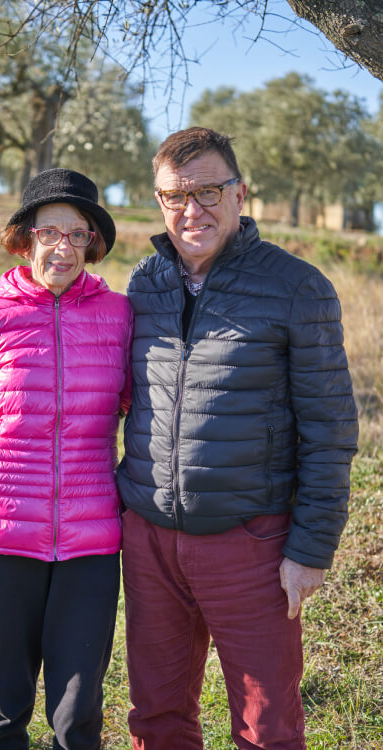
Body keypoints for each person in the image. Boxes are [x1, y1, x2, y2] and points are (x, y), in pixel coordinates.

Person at [117, 127, 358, 750]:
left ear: (240, 193)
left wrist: (310, 549)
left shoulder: (297, 288)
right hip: (149, 539)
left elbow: (331, 431)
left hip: (251, 542)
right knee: (156, 718)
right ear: (159, 200)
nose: (191, 209)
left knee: (266, 727)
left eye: (207, 191)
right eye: (174, 195)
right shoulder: (145, 284)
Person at [0, 168, 133, 750]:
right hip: (1, 540)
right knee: (4, 714)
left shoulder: (120, 317)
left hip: (91, 543)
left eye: (78, 234)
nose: (63, 247)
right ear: (25, 239)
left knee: (78, 719)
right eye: (50, 232)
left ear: (93, 243)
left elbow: (140, 408)